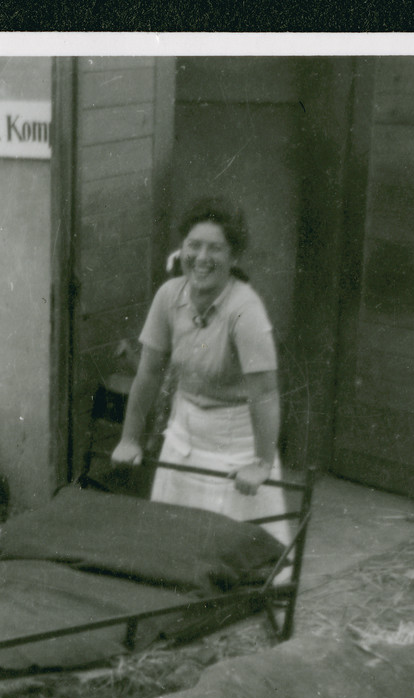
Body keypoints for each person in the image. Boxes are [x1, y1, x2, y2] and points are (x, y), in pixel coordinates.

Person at [109, 197, 294, 545]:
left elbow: (266, 393)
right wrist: (129, 438)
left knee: (227, 552)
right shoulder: (168, 296)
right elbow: (148, 373)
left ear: (233, 257)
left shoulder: (245, 310)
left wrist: (262, 464)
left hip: (236, 448)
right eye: (194, 246)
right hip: (183, 438)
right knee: (172, 546)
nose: (202, 258)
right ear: (182, 249)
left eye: (216, 249)